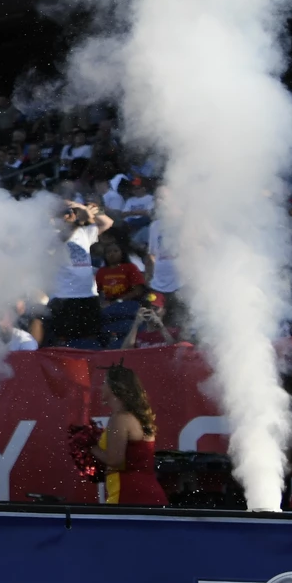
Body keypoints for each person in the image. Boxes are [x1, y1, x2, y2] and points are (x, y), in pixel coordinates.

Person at [41, 193, 107, 347]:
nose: (70, 214)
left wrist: (86, 208)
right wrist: (80, 220)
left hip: (88, 294)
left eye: (71, 212)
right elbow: (62, 238)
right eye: (66, 212)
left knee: (91, 336)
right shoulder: (51, 234)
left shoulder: (83, 232)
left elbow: (107, 223)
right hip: (65, 296)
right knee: (65, 340)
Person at [100, 363, 167, 506]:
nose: (101, 387)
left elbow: (115, 461)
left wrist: (88, 447)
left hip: (128, 495)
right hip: (149, 494)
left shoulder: (120, 418)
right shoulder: (137, 416)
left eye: (104, 383)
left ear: (114, 387)